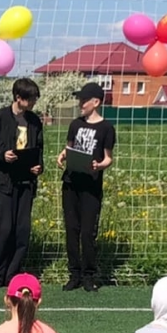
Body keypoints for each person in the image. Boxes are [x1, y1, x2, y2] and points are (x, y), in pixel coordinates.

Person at [0, 77, 44, 289]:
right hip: (3, 182)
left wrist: (38, 167)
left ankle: (13, 275)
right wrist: (2, 155)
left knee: (22, 229)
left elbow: (39, 149)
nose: (33, 102)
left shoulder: (34, 121)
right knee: (4, 228)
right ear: (18, 98)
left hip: (26, 183)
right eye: (30, 99)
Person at [60, 82, 115, 291]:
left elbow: (108, 158)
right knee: (71, 230)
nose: (80, 104)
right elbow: (69, 148)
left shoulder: (106, 128)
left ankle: (88, 275)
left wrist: (99, 165)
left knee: (87, 232)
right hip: (71, 183)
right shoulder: (75, 124)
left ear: (96, 102)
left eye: (84, 100)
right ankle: (74, 274)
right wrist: (63, 155)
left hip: (91, 185)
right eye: (80, 100)